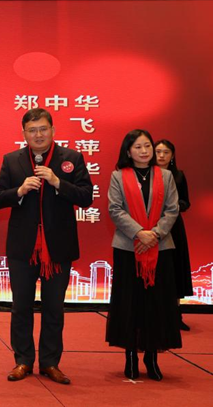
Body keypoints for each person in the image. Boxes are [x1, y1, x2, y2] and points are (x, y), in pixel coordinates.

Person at [0, 108, 93, 385]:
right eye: (32, 130)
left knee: (54, 308)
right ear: (24, 133)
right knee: (21, 307)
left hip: (57, 247)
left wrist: (58, 182)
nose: (38, 135)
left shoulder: (71, 158)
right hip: (23, 247)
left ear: (52, 130)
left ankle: (50, 363)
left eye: (43, 129)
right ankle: (23, 360)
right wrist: (20, 191)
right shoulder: (12, 160)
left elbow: (86, 197)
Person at [107, 130, 180, 381]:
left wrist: (154, 234)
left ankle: (151, 357)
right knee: (130, 304)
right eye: (138, 147)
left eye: (147, 146)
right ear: (128, 151)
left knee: (156, 304)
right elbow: (115, 209)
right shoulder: (118, 176)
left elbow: (172, 209)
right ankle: (130, 357)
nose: (144, 151)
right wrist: (139, 233)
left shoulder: (166, 176)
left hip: (160, 247)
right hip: (128, 248)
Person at [155, 139, 193, 331]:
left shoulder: (178, 175)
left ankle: (176, 316)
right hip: (151, 226)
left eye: (166, 152)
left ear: (172, 156)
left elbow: (186, 202)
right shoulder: (147, 175)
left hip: (174, 227)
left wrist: (174, 207)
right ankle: (155, 315)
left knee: (175, 268)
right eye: (158, 152)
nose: (161, 155)